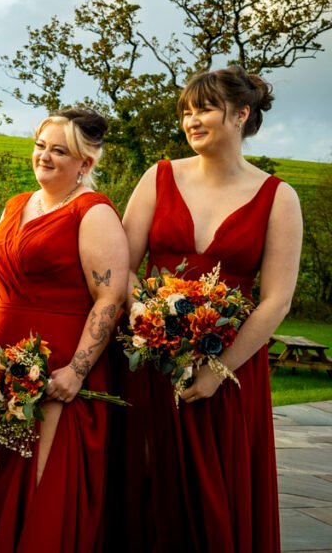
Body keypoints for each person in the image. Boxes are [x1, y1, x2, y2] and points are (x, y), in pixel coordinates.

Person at [121, 66, 302, 552]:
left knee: (216, 499)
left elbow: (276, 300)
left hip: (230, 372)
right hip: (153, 365)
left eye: (203, 109)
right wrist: (148, 317)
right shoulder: (158, 177)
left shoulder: (278, 197)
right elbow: (123, 267)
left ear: (241, 114)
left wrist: (218, 371)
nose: (191, 120)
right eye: (186, 111)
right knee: (147, 486)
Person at [0, 108, 128, 553]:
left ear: (85, 163)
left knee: (45, 490)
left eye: (58, 151)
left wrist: (77, 371)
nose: (43, 157)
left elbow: (110, 299)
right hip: (0, 367)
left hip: (59, 370)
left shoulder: (93, 212)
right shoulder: (15, 204)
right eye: (40, 145)